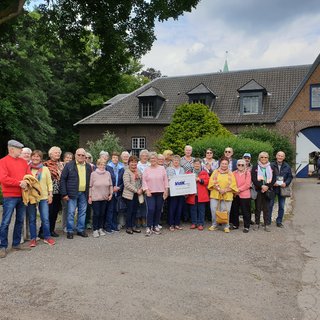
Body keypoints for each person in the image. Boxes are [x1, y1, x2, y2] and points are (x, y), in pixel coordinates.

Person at [0, 140, 31, 258]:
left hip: (22, 195)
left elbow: (29, 176)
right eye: (19, 149)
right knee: (6, 221)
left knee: (19, 220)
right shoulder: (3, 162)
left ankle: (16, 244)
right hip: (9, 196)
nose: (21, 151)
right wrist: (19, 183)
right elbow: (3, 179)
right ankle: (2, 246)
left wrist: (27, 182)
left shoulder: (23, 162)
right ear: (11, 149)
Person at [60, 148, 92, 239]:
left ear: (85, 156)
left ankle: (80, 230)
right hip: (72, 193)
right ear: (75, 155)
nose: (81, 157)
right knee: (71, 212)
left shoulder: (88, 166)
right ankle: (70, 231)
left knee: (82, 212)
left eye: (83, 155)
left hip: (84, 193)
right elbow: (63, 180)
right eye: (79, 155)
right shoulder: (69, 165)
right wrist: (64, 193)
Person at [26, 150, 55, 247]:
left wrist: (50, 194)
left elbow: (49, 182)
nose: (35, 158)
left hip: (43, 197)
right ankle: (33, 238)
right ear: (31, 157)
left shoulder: (45, 169)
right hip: (31, 197)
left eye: (37, 156)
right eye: (33, 156)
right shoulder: (27, 168)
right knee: (32, 219)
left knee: (45, 218)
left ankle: (47, 237)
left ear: (40, 158)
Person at [207, 157, 238, 233]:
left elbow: (233, 185)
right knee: (214, 210)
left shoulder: (231, 173)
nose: (224, 165)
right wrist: (219, 189)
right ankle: (214, 225)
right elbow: (211, 182)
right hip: (215, 194)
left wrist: (225, 190)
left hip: (227, 194)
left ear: (228, 164)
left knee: (226, 211)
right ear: (220, 164)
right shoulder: (215, 172)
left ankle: (226, 226)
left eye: (226, 164)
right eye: (222, 163)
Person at [142, 152, 169, 236]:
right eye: (151, 159)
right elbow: (144, 180)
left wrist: (166, 190)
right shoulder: (147, 169)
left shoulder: (162, 168)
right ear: (149, 160)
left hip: (160, 192)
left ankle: (155, 225)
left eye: (154, 158)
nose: (153, 160)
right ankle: (149, 226)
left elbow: (165, 180)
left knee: (158, 209)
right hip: (150, 193)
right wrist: (146, 190)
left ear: (157, 159)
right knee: (151, 209)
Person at [251, 152, 276, 232]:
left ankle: (266, 224)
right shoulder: (256, 166)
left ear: (268, 158)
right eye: (262, 157)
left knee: (267, 208)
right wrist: (261, 186)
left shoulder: (271, 167)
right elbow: (254, 179)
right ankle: (257, 223)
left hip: (268, 190)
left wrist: (267, 186)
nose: (264, 159)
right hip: (258, 190)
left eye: (265, 157)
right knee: (258, 208)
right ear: (259, 158)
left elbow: (274, 178)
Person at [88, 159, 113, 238]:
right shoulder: (93, 174)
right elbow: (90, 186)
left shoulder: (108, 173)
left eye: (104, 165)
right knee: (96, 214)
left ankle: (100, 228)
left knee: (102, 214)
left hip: (105, 197)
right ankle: (95, 229)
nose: (102, 166)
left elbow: (110, 185)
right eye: (101, 165)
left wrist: (111, 194)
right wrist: (90, 196)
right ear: (97, 165)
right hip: (95, 197)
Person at [43, 146, 64, 238]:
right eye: (56, 152)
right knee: (48, 212)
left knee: (55, 212)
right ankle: (43, 231)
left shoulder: (61, 164)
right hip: (50, 191)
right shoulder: (45, 164)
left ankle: (51, 230)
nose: (58, 154)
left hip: (59, 191)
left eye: (59, 152)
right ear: (50, 154)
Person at [268, 151, 293, 228]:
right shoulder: (271, 165)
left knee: (281, 206)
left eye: (282, 156)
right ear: (276, 156)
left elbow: (290, 177)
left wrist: (286, 183)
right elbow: (268, 176)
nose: (280, 157)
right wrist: (272, 183)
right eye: (279, 155)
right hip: (273, 188)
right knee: (270, 205)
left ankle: (279, 221)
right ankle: (268, 221)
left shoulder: (287, 166)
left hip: (282, 188)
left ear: (284, 157)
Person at [186, 158, 209, 231]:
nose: (196, 165)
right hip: (192, 194)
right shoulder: (189, 173)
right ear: (193, 164)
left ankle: (200, 224)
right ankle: (194, 223)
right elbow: (185, 182)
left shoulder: (204, 172)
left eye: (198, 164)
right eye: (195, 164)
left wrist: (200, 180)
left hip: (201, 195)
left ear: (200, 164)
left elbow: (207, 182)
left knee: (201, 210)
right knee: (193, 209)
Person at [122, 156, 143, 234]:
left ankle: (134, 226)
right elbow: (127, 184)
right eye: (132, 162)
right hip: (129, 195)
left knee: (135, 211)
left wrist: (141, 189)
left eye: (135, 162)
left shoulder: (139, 171)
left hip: (137, 194)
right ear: (129, 163)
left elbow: (142, 181)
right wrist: (136, 190)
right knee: (129, 211)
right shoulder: (126, 172)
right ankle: (128, 227)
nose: (134, 164)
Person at [231, 159, 252, 233]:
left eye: (242, 165)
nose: (240, 166)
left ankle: (246, 226)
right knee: (235, 210)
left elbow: (247, 184)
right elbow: (231, 182)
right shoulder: (233, 173)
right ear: (236, 165)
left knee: (245, 211)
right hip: (235, 194)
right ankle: (235, 225)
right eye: (239, 165)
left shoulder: (248, 173)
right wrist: (235, 190)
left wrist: (238, 190)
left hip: (245, 195)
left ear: (245, 165)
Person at [166, 155, 185, 231]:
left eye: (177, 160)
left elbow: (184, 179)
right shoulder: (168, 169)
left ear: (179, 161)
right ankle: (171, 224)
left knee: (179, 208)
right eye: (174, 160)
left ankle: (177, 224)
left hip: (180, 192)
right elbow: (166, 179)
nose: (176, 162)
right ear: (172, 161)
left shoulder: (182, 169)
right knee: (172, 208)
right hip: (172, 192)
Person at [107, 152, 124, 232]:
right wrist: (111, 188)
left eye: (116, 158)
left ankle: (114, 226)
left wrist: (119, 187)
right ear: (111, 158)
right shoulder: (108, 167)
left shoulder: (121, 168)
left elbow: (124, 180)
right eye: (114, 157)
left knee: (116, 210)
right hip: (110, 192)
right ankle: (108, 227)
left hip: (118, 192)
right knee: (110, 209)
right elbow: (106, 179)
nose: (115, 159)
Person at [136, 149, 149, 227]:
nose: (145, 157)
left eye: (146, 156)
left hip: (148, 188)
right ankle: (138, 219)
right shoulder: (137, 165)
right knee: (138, 204)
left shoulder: (150, 164)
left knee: (145, 204)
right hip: (139, 187)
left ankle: (144, 218)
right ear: (140, 156)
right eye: (143, 155)